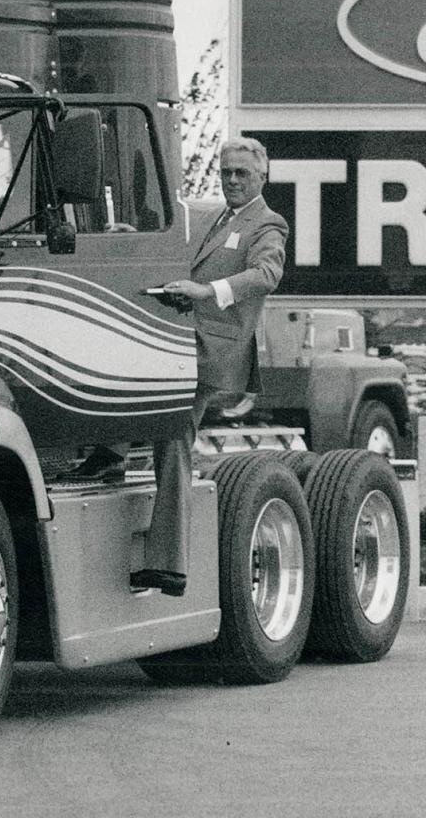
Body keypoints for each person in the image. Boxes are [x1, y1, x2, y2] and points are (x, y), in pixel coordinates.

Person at [131, 138, 288, 596]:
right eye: (226, 173)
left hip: (213, 352)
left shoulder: (267, 223)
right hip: (183, 341)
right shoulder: (214, 218)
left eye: (242, 173)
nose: (233, 181)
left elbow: (266, 275)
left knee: (174, 434)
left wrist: (207, 291)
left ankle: (170, 565)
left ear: (262, 177)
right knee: (151, 418)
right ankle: (112, 454)